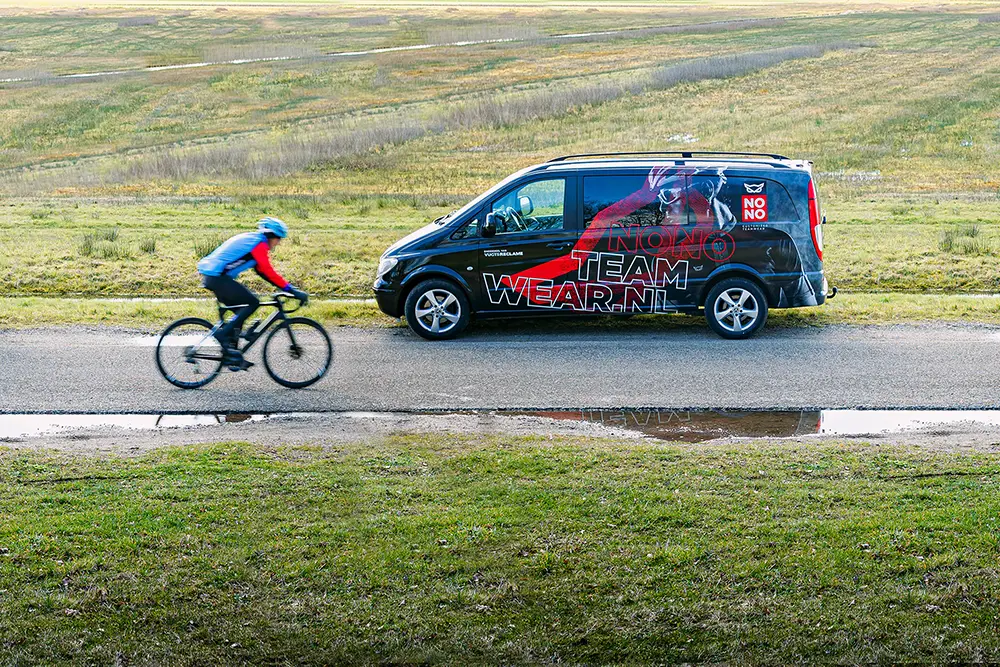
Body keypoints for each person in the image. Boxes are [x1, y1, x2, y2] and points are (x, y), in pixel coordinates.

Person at [197, 217, 308, 363]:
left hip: (214, 276)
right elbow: (268, 271)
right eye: (278, 239)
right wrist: (292, 290)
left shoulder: (254, 240)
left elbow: (261, 272)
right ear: (271, 236)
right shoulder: (259, 245)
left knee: (242, 308)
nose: (279, 242)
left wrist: (286, 288)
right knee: (252, 302)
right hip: (218, 277)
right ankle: (222, 335)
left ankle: (232, 353)